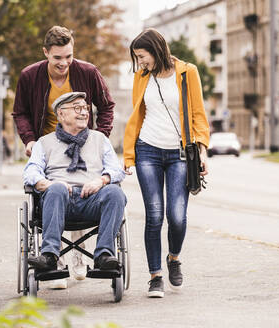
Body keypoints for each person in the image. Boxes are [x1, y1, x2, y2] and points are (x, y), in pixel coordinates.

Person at [13, 26, 116, 286]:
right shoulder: (30, 76)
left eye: (68, 56)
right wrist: (30, 141)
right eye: (57, 57)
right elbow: (21, 112)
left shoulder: (88, 72)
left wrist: (97, 137)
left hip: (84, 140)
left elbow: (106, 106)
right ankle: (55, 257)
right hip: (48, 144)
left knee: (86, 183)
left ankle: (82, 258)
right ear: (45, 53)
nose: (64, 63)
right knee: (58, 188)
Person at [123, 28, 210, 298]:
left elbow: (198, 114)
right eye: (137, 58)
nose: (140, 62)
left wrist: (203, 150)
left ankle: (173, 258)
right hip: (147, 149)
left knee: (177, 216)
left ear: (156, 49)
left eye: (142, 56)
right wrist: (128, 155)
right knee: (155, 214)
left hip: (179, 154)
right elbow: (137, 115)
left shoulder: (187, 73)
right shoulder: (141, 77)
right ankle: (155, 276)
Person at [24, 92, 126, 277]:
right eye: (77, 108)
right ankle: (49, 256)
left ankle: (104, 255)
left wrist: (101, 180)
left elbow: (117, 170)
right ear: (61, 114)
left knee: (115, 193)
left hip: (92, 200)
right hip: (58, 202)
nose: (84, 113)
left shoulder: (99, 139)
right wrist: (48, 184)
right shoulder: (44, 143)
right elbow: (30, 172)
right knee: (57, 189)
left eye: (85, 108)